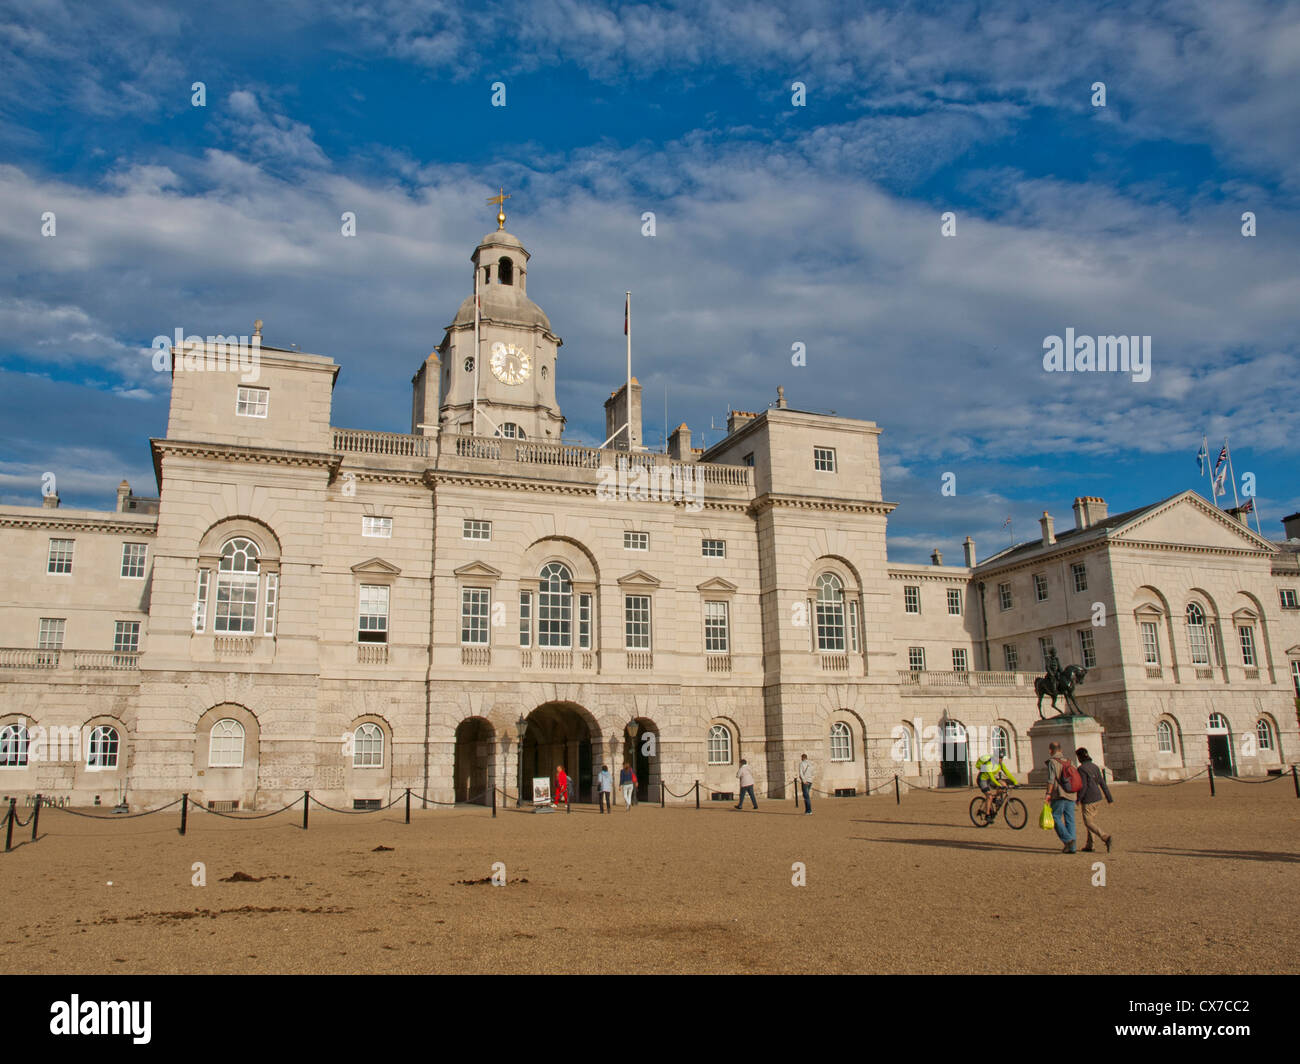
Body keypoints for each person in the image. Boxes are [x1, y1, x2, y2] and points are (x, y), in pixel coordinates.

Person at [1075, 748, 1113, 852]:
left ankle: (1105, 836)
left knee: (1088, 822)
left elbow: (1084, 786)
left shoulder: (1081, 769)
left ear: (1079, 757)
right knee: (1091, 821)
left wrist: (1078, 799)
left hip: (1089, 798)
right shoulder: (1095, 766)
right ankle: (1090, 845)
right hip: (1097, 797)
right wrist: (1109, 797)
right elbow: (1102, 782)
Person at [1043, 741, 1077, 853]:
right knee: (1070, 819)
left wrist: (1048, 794)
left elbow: (1051, 780)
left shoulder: (1052, 762)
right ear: (1061, 750)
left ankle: (1068, 840)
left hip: (1059, 794)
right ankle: (1072, 847)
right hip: (1071, 793)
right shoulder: (1070, 761)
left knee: (1055, 817)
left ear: (1050, 750)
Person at [975, 750, 1018, 819]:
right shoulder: (989, 764)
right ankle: (987, 814)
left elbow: (1007, 773)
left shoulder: (1000, 764)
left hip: (991, 779)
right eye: (999, 758)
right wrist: (998, 784)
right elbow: (992, 777)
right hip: (982, 780)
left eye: (1002, 758)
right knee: (989, 797)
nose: (1001, 760)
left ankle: (995, 798)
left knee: (1004, 785)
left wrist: (1015, 782)